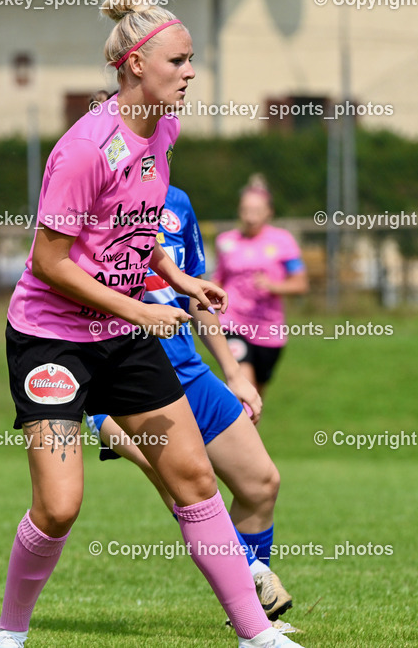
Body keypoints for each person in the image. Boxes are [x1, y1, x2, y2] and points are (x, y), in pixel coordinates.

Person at [0, 0, 300, 648]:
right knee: (59, 506)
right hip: (52, 339)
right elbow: (51, 261)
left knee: (192, 476)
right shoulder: (84, 148)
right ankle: (9, 635)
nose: (190, 73)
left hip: (121, 333)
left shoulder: (165, 128)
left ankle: (256, 635)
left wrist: (176, 275)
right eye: (178, 62)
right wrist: (139, 307)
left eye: (191, 61)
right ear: (134, 65)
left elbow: (130, 229)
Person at [86, 183, 297, 632]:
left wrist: (234, 372)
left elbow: (196, 292)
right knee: (187, 490)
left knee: (261, 484)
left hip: (188, 369)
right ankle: (254, 602)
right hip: (120, 377)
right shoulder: (90, 189)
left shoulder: (179, 201)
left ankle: (251, 604)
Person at [214, 176, 308, 400]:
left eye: (257, 210)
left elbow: (300, 284)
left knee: (257, 394)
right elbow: (218, 280)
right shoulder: (226, 242)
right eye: (245, 209)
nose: (250, 215)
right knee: (244, 387)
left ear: (269, 212)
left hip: (269, 330)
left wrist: (272, 286)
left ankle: (247, 434)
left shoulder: (283, 241)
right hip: (232, 322)